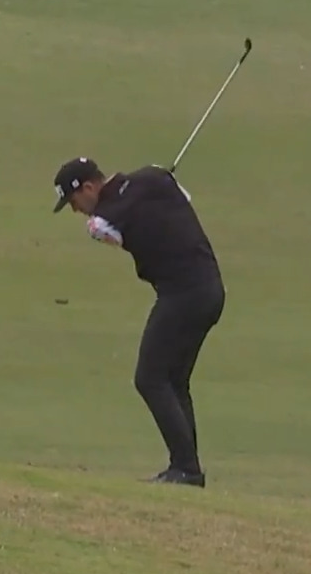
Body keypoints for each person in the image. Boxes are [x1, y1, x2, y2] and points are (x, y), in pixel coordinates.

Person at [53, 156, 225, 487]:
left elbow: (106, 229)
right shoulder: (149, 181)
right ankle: (187, 469)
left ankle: (186, 468)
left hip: (185, 293)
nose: (77, 211)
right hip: (207, 290)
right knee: (173, 381)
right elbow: (175, 193)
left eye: (75, 202)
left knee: (150, 378)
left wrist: (102, 223)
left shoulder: (120, 203)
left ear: (89, 187)